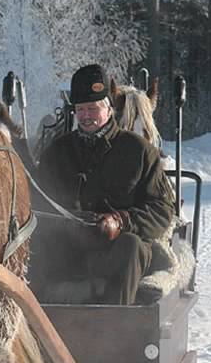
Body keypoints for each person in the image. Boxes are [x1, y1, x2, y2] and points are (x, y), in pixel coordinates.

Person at [36, 63, 175, 305]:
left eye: (93, 108)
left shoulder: (140, 151)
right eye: (81, 109)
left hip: (116, 252)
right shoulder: (57, 153)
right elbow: (36, 202)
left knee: (131, 246)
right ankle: (35, 324)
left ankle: (114, 329)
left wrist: (121, 221)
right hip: (70, 250)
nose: (86, 116)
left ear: (109, 109)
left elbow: (162, 210)